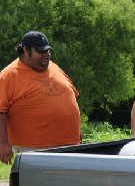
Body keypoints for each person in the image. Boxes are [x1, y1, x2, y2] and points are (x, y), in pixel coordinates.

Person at [0, 31, 81, 164]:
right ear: (26, 50)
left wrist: (78, 131)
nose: (46, 55)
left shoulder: (54, 67)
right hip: (34, 147)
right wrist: (2, 144)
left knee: (68, 183)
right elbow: (1, 111)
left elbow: (71, 98)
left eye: (48, 51)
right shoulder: (9, 75)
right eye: (41, 51)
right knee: (38, 184)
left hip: (69, 144)